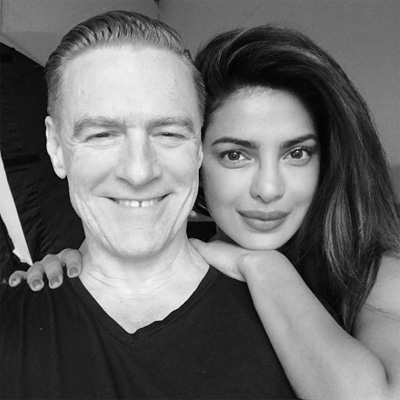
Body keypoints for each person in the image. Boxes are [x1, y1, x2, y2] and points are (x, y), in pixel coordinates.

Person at [15, 24, 400, 400]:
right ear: (197, 156)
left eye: (297, 153)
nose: (268, 189)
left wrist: (266, 268)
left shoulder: (378, 274)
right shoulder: (192, 258)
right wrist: (77, 266)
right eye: (235, 155)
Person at [0, 12, 298, 399]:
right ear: (56, 148)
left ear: (198, 147)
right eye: (102, 134)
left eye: (169, 133)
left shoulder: (299, 322)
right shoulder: (10, 328)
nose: (139, 172)